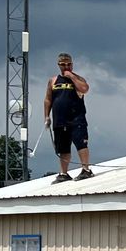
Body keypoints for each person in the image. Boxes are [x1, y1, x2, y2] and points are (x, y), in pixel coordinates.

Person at [43, 53, 92, 182]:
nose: (66, 67)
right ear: (59, 65)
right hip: (60, 120)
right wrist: (46, 116)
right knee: (63, 148)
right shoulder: (53, 81)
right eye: (63, 64)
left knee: (81, 144)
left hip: (76, 119)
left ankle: (86, 169)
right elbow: (48, 99)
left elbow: (85, 89)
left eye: (69, 64)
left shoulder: (77, 78)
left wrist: (71, 76)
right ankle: (63, 173)